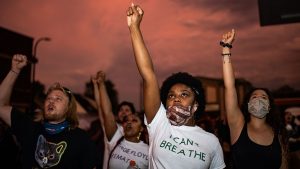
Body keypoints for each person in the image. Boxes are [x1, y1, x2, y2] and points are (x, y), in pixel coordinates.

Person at [126, 3, 226, 169]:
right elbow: (148, 75)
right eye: (171, 95)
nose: (176, 99)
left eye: (184, 94)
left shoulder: (211, 142)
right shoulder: (159, 123)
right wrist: (134, 28)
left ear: (195, 106)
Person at [0, 54, 98, 169]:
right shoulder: (30, 128)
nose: (51, 101)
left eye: (58, 99)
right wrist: (14, 70)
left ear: (68, 108)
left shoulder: (81, 140)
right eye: (49, 98)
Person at [220, 29, 289, 169]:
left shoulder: (279, 133)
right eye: (254, 97)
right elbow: (230, 86)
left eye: (264, 97)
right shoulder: (238, 125)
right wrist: (226, 48)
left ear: (269, 106)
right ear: (248, 104)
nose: (259, 99)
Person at [92, 71, 149, 169]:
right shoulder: (115, 136)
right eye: (127, 120)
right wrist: (99, 84)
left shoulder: (150, 150)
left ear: (142, 128)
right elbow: (104, 110)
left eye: (127, 110)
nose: (129, 121)